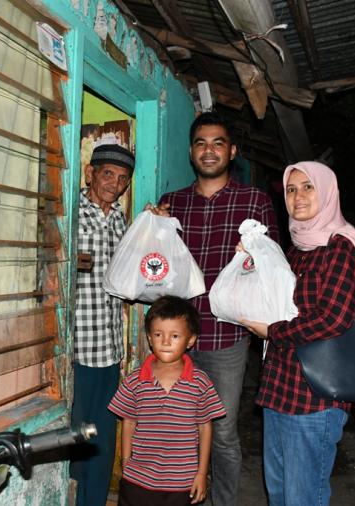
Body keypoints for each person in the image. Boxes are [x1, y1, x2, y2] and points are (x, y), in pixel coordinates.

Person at [153, 111, 279, 505]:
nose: (209, 151)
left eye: (218, 143)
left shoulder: (254, 201)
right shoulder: (171, 203)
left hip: (227, 338)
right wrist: (151, 225)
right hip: (175, 338)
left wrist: (256, 254)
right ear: (191, 152)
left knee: (221, 430)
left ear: (233, 151)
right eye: (201, 143)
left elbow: (274, 266)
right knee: (178, 428)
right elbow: (155, 264)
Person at [242, 161, 355, 506]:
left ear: (328, 192)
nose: (298, 196)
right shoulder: (297, 249)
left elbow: (333, 319)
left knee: (303, 497)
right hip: (279, 390)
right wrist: (251, 263)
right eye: (291, 190)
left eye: (308, 187)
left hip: (314, 398)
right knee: (279, 492)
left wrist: (272, 331)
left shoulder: (340, 247)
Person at [108, 295, 226, 506]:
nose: (165, 342)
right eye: (158, 334)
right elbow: (129, 422)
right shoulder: (135, 380)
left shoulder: (200, 382)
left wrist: (201, 474)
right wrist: (125, 462)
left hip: (181, 482)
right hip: (138, 479)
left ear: (190, 340)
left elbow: (205, 428)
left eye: (175, 336)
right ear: (149, 338)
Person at [71, 143, 135, 506]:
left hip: (109, 350)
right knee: (73, 441)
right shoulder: (72, 213)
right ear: (90, 173)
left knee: (102, 441)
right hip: (77, 349)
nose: (114, 183)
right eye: (107, 173)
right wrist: (68, 261)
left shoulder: (121, 220)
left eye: (122, 178)